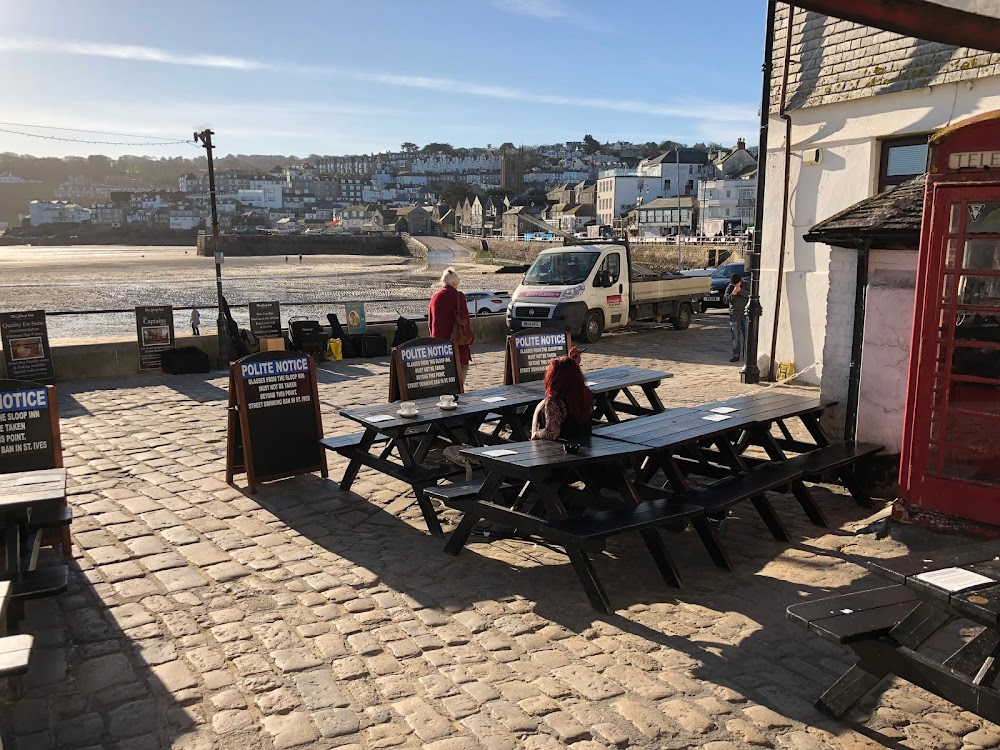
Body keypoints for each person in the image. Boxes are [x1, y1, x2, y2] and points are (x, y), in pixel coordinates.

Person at [531, 356, 593, 441]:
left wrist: (536, 434)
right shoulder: (585, 393)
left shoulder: (554, 400)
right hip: (585, 442)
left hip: (559, 448)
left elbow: (552, 433)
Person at [428, 267, 472, 382]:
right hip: (458, 349)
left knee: (443, 385)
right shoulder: (459, 296)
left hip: (439, 349)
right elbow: (466, 322)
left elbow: (430, 324)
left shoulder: (435, 297)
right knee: (458, 386)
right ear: (454, 283)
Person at [724, 272, 750, 362]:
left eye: (736, 283)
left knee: (747, 336)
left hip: (745, 314)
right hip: (734, 314)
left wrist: (741, 291)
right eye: (733, 284)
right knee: (735, 336)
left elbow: (749, 296)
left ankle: (746, 355)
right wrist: (733, 294)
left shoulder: (746, 285)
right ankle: (736, 355)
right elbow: (726, 300)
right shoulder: (730, 287)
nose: (734, 285)